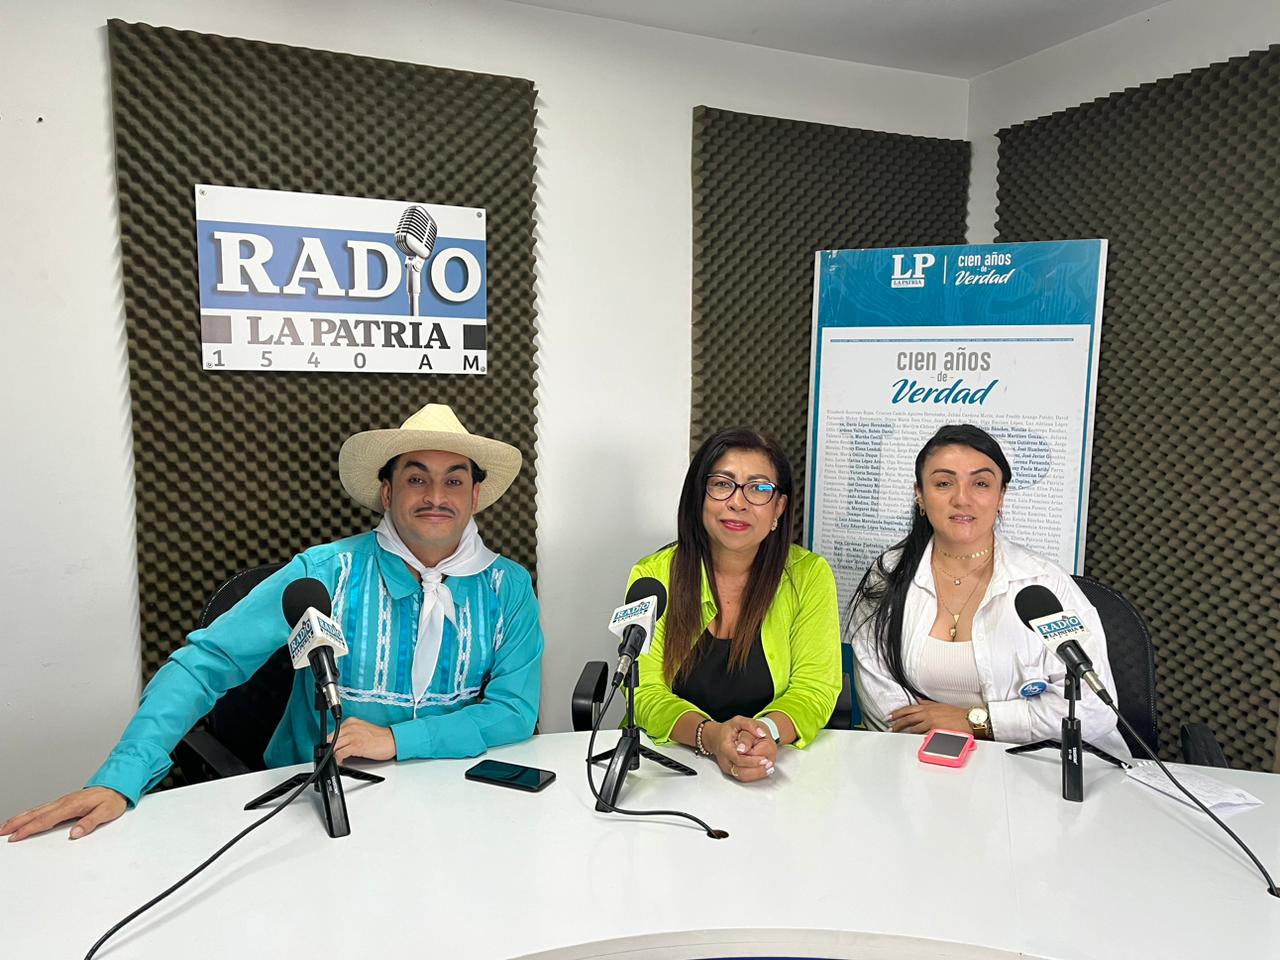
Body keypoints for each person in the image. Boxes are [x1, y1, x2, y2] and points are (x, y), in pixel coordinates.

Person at [2, 403, 544, 841]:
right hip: (318, 803)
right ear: (387, 492)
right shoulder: (325, 572)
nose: (435, 497)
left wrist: (397, 740)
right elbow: (204, 664)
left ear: (475, 496)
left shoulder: (509, 587)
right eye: (417, 478)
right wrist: (120, 777)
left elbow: (514, 712)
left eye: (454, 481)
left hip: (455, 802)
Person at [847, 424, 1126, 756]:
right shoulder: (889, 574)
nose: (962, 499)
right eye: (943, 483)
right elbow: (883, 698)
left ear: (1001, 495)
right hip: (923, 761)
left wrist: (976, 721)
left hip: (1044, 764)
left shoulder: (1042, 583)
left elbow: (1093, 709)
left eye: (980, 484)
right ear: (919, 494)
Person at [627, 428, 841, 784]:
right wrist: (711, 736)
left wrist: (763, 734)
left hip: (774, 767)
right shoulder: (653, 576)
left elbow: (814, 688)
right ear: (699, 496)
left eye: (758, 488)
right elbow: (643, 691)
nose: (738, 502)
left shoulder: (809, 576)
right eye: (722, 484)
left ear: (779, 507)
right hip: (669, 768)